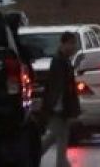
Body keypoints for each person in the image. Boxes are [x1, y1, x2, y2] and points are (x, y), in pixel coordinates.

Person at [40, 32, 80, 167]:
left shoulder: (64, 61)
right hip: (59, 109)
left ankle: (33, 157)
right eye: (72, 44)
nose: (74, 47)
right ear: (64, 44)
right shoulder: (59, 62)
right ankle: (31, 157)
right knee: (58, 137)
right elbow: (58, 88)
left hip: (61, 108)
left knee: (57, 137)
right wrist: (59, 107)